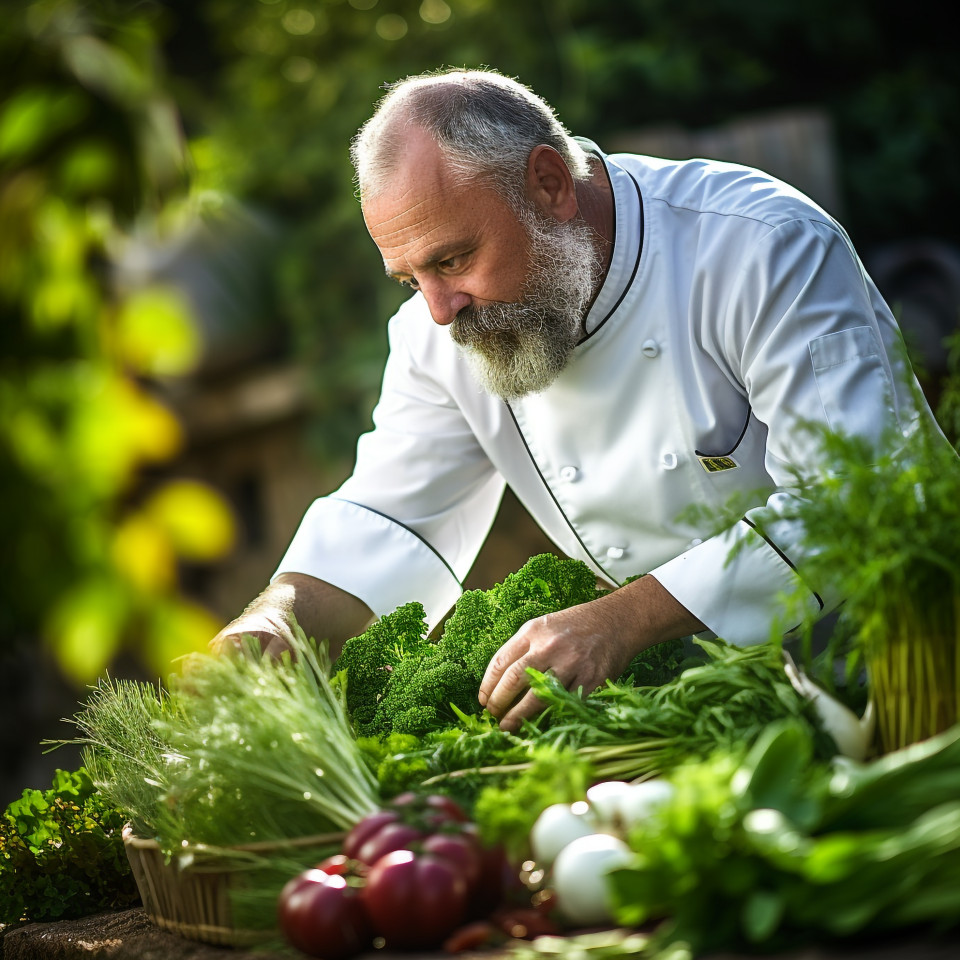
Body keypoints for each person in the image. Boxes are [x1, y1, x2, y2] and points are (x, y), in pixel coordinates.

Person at [211, 67, 930, 731]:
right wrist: (276, 623)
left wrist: (621, 620)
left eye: (454, 259)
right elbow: (390, 517)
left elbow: (856, 500)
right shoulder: (441, 337)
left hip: (904, 665)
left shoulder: (759, 246)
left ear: (550, 184)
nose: (438, 310)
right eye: (409, 278)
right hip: (720, 706)